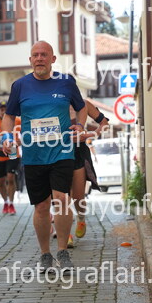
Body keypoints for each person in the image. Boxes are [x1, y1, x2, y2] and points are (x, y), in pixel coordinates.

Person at [1, 41, 87, 274]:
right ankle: (45, 254)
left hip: (62, 150)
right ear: (30, 60)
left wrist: (80, 125)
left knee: (61, 198)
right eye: (35, 55)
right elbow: (9, 116)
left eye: (44, 55)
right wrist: (6, 137)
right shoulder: (20, 86)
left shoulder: (66, 82)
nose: (39, 58)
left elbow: (82, 107)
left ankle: (63, 251)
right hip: (33, 155)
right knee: (41, 206)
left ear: (53, 59)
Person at [67, 102, 110, 248]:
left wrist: (89, 135)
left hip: (78, 153)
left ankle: (81, 218)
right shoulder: (53, 103)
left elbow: (105, 125)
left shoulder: (83, 104)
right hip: (57, 153)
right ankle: (66, 234)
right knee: (62, 197)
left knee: (78, 197)